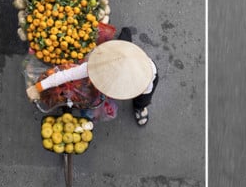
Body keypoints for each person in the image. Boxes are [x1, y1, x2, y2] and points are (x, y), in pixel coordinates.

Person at [26, 29, 159, 126]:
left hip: (141, 66)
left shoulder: (145, 78)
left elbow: (146, 90)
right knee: (121, 47)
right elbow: (66, 75)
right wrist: (38, 87)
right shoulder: (97, 64)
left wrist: (141, 101)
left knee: (143, 99)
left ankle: (140, 107)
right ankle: (126, 34)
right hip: (120, 52)